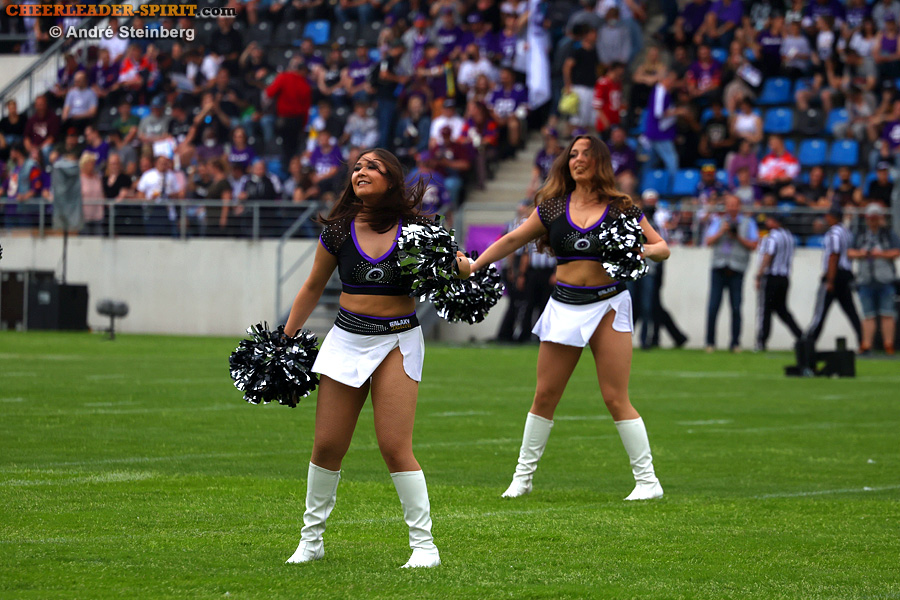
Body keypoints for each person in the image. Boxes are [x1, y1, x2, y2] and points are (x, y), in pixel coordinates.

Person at [283, 149, 467, 568]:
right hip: (346, 340)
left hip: (397, 342)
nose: (361, 172)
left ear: (391, 180)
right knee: (327, 445)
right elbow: (312, 287)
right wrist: (285, 338)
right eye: (357, 167)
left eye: (372, 167)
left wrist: (464, 267)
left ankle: (425, 547)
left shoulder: (419, 231)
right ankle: (311, 541)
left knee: (394, 447)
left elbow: (454, 267)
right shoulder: (337, 231)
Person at [463, 135, 671, 501]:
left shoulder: (621, 208)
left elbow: (662, 247)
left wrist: (641, 251)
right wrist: (474, 265)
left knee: (615, 397)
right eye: (573, 154)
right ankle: (522, 479)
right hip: (564, 305)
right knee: (544, 395)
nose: (578, 159)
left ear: (600, 161)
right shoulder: (553, 208)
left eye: (586, 154)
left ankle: (648, 482)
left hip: (608, 304)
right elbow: (512, 240)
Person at [704, 194, 760, 352]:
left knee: (736, 307)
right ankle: (710, 342)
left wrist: (738, 237)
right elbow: (708, 241)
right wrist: (721, 231)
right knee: (713, 306)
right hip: (719, 267)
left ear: (739, 206)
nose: (732, 208)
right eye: (730, 205)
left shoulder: (748, 223)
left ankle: (735, 342)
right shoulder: (718, 221)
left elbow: (754, 245)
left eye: (735, 205)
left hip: (737, 268)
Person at [805, 205, 863, 349]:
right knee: (851, 312)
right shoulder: (846, 232)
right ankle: (864, 340)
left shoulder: (833, 233)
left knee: (820, 312)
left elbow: (833, 256)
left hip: (835, 273)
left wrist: (830, 280)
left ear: (833, 217)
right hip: (845, 274)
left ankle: (808, 342)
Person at [848, 204, 900, 354]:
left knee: (887, 314)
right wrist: (863, 254)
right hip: (865, 279)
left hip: (885, 279)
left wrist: (880, 254)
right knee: (868, 315)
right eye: (871, 218)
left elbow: (897, 252)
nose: (873, 221)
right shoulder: (860, 234)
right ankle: (866, 344)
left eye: (876, 218)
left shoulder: (888, 234)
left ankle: (889, 344)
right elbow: (850, 252)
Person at [754, 211, 803, 352]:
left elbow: (768, 256)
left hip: (772, 277)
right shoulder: (789, 236)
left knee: (765, 310)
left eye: (769, 220)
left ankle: (761, 341)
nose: (767, 222)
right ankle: (801, 336)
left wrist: (759, 275)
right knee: (782, 310)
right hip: (784, 278)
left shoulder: (772, 236)